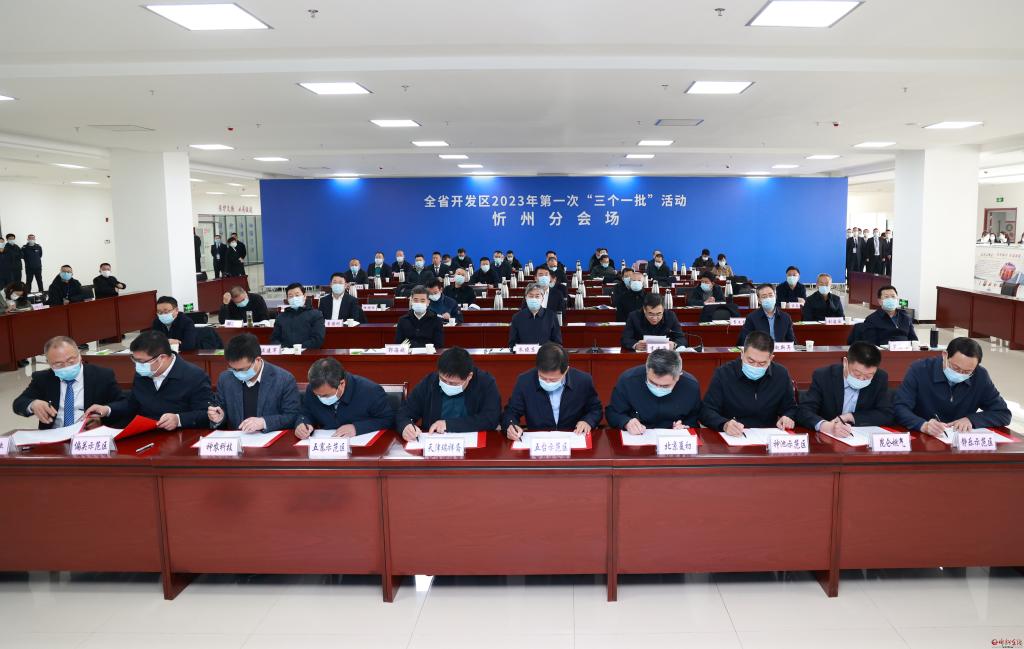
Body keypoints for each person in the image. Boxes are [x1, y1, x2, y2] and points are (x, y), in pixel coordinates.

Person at [84, 330, 213, 430]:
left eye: (141, 361)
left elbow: (205, 413)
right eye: (134, 360)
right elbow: (133, 404)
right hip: (146, 433)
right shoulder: (143, 373)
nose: (137, 365)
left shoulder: (194, 376)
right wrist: (107, 409)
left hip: (181, 435)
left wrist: (178, 419)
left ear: (162, 358)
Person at [893, 337, 1011, 436]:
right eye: (955, 368)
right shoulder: (919, 370)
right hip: (922, 436)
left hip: (959, 440)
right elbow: (900, 407)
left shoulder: (980, 376)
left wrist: (971, 420)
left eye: (967, 372)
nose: (960, 374)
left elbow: (1003, 413)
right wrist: (923, 425)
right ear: (945, 355)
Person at [13, 335, 122, 429]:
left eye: (71, 361)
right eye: (58, 364)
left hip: (89, 434)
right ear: (48, 363)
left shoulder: (102, 375)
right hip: (54, 436)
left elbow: (122, 404)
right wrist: (33, 404)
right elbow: (18, 403)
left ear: (79, 356)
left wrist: (103, 414)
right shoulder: (43, 378)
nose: (66, 366)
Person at [700, 331, 798, 435]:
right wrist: (724, 424)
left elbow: (791, 408)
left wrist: (788, 417)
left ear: (771, 359)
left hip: (767, 436)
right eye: (750, 361)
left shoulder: (781, 374)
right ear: (742, 354)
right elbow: (706, 411)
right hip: (732, 436)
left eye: (762, 363)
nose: (755, 367)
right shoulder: (724, 373)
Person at [397, 347, 501, 440]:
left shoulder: (485, 383)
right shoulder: (430, 381)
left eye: (453, 383)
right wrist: (405, 426)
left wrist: (449, 425)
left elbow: (491, 418)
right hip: (435, 444)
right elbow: (404, 412)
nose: (447, 385)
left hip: (473, 445)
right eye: (443, 380)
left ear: (469, 376)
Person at [502, 343, 602, 439]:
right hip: (539, 439)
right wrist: (510, 426)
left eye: (553, 380)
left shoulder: (583, 381)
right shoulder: (525, 381)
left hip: (573, 436)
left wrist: (588, 421)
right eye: (542, 378)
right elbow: (511, 412)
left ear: (566, 370)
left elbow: (596, 409)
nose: (547, 382)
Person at [795, 342, 893, 436]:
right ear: (845, 362)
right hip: (826, 438)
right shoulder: (823, 376)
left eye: (868, 376)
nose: (861, 379)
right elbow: (804, 411)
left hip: (860, 438)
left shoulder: (880, 378)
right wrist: (826, 426)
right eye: (857, 374)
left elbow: (887, 414)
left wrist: (851, 417)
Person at [208, 333, 301, 432]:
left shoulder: (284, 379)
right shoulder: (225, 379)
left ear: (257, 360)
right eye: (233, 369)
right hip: (238, 437)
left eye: (242, 369)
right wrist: (219, 418)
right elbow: (221, 412)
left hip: (269, 438)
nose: (237, 373)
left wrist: (264, 422)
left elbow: (292, 416)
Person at [294, 357, 394, 439]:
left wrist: (357, 428)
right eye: (317, 395)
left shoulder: (370, 391)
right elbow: (305, 413)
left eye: (325, 395)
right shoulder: (313, 390)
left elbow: (388, 420)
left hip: (360, 447)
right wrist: (302, 423)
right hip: (326, 445)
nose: (320, 398)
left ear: (341, 384)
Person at [606, 349, 702, 433]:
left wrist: (685, 426)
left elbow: (694, 419)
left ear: (678, 376)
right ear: (647, 370)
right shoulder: (628, 380)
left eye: (665, 386)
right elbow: (613, 413)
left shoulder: (691, 386)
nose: (658, 388)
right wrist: (626, 422)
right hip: (637, 437)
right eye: (652, 383)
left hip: (672, 439)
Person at [271, 283, 325, 349]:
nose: (294, 298)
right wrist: (284, 348)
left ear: (304, 296)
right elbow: (274, 339)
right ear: (287, 299)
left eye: (297, 295)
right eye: (290, 296)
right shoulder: (281, 317)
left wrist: (298, 348)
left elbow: (318, 339)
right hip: (286, 353)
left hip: (308, 352)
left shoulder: (316, 315)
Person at [509, 283, 562, 348]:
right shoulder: (517, 317)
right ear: (526, 298)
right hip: (524, 353)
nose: (534, 299)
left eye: (537, 296)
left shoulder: (551, 316)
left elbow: (557, 343)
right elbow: (512, 343)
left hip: (545, 353)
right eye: (531, 296)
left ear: (542, 298)